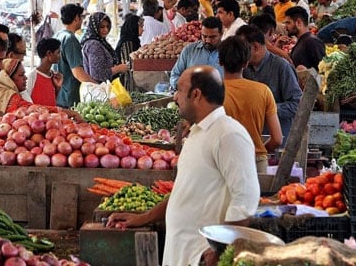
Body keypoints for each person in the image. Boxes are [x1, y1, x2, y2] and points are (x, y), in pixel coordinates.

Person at [106, 66, 260, 266]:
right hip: (182, 252)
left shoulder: (228, 134)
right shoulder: (198, 133)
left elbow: (246, 198)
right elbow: (183, 192)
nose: (174, 97)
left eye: (178, 90)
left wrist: (220, 248)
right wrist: (143, 218)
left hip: (201, 255)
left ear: (196, 95)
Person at [219, 37, 282, 173]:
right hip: (256, 162)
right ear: (246, 63)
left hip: (222, 162)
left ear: (220, 62)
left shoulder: (212, 92)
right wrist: (260, 151)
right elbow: (277, 139)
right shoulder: (263, 91)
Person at [236, 25, 302, 141]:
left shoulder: (282, 67)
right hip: (249, 137)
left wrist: (267, 109)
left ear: (255, 47)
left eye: (242, 49)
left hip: (277, 139)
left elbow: (297, 105)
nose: (239, 53)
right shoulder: (243, 67)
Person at [55, 3, 94, 108]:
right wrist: (95, 85)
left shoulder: (58, 35)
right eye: (81, 17)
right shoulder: (70, 40)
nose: (82, 21)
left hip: (59, 94)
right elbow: (78, 72)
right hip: (69, 96)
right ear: (77, 18)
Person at [169, 17, 223, 90]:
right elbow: (175, 75)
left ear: (221, 34)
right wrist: (183, 87)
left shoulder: (229, 52)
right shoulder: (189, 50)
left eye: (212, 37)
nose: (208, 41)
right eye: (204, 36)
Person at [81, 12, 129, 83]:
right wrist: (119, 68)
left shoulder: (100, 42)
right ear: (95, 27)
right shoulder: (94, 45)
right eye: (102, 27)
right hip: (99, 90)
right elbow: (97, 74)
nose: (106, 30)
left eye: (107, 26)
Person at [282, 6, 326, 71]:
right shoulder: (302, 40)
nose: (285, 27)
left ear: (298, 23)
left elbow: (323, 71)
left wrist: (307, 72)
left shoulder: (312, 42)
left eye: (288, 23)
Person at [26, 38, 63, 107]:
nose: (60, 56)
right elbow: (26, 102)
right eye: (58, 52)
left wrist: (58, 87)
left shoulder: (54, 76)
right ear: (49, 53)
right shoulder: (32, 76)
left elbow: (52, 100)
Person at [115, 14, 143, 92]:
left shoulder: (134, 40)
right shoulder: (128, 42)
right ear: (134, 26)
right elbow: (128, 65)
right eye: (141, 26)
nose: (143, 29)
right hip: (126, 81)